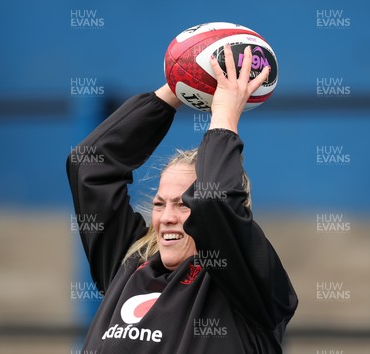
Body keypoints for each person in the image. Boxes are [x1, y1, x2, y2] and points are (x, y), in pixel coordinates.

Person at [66, 44, 298, 353]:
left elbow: (215, 203)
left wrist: (225, 115)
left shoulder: (248, 284)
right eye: (160, 204)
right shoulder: (129, 262)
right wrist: (178, 86)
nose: (166, 218)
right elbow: (89, 166)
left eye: (184, 204)